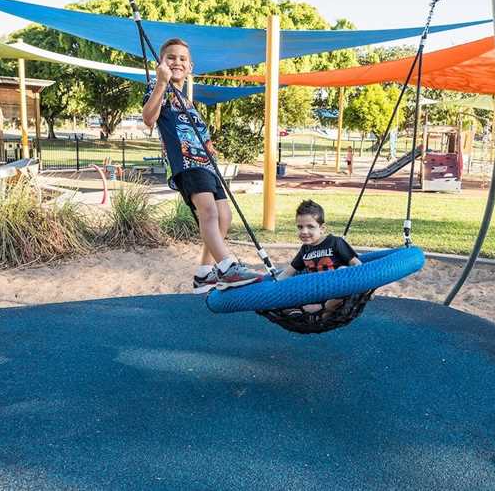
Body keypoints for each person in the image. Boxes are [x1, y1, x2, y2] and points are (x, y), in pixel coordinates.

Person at [142, 37, 262, 294]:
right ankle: (227, 267)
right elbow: (148, 118)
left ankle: (204, 273)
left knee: (224, 217)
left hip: (207, 165)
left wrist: (212, 155)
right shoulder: (158, 88)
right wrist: (161, 82)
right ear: (160, 63)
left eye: (182, 58)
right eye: (171, 57)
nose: (177, 62)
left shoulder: (187, 101)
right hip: (186, 164)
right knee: (208, 213)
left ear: (191, 66)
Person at [278, 200, 362, 312]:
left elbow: (357, 264)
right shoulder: (305, 249)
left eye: (310, 226)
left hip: (336, 291)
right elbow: (288, 272)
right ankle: (311, 312)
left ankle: (322, 308)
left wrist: (363, 285)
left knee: (342, 270)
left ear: (322, 229)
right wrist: (274, 287)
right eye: (300, 227)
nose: (304, 231)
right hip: (315, 292)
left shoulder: (335, 242)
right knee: (291, 290)